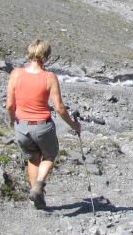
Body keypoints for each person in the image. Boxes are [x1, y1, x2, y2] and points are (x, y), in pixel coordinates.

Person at [6, 39, 81, 209]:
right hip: (42, 126)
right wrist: (73, 125)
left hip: (21, 126)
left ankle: (36, 198)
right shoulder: (49, 77)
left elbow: (9, 105)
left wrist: (11, 119)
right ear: (46, 56)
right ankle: (39, 184)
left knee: (33, 159)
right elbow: (59, 108)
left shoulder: (16, 74)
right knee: (49, 156)